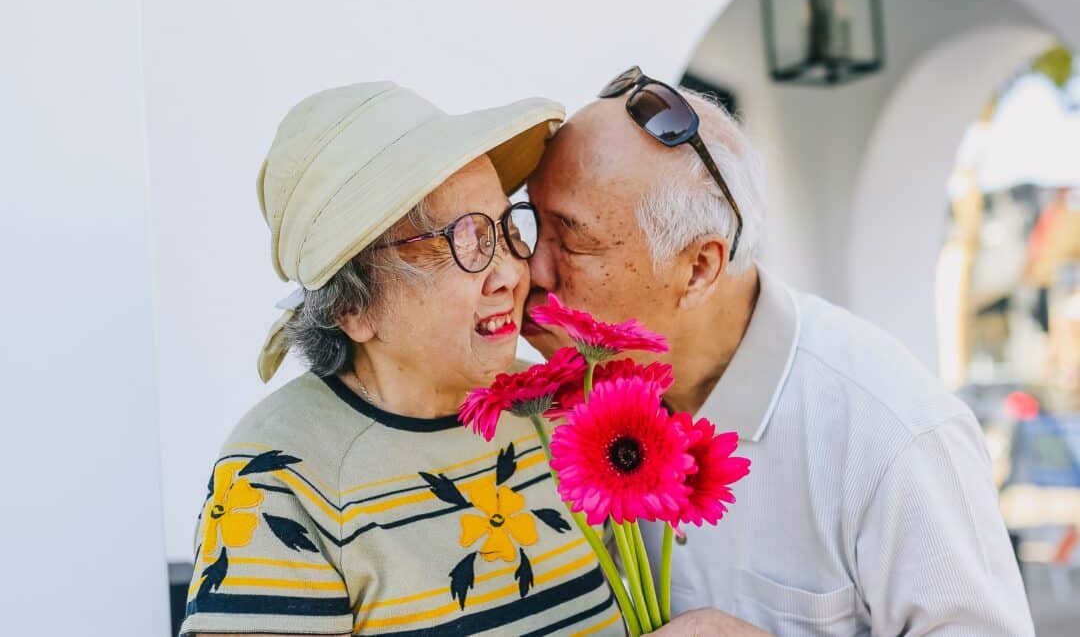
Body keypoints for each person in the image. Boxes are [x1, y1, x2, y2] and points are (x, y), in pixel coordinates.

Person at [522, 66, 1036, 636]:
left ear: (698, 268)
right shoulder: (573, 398)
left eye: (570, 240)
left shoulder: (889, 429)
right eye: (530, 223)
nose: (532, 269)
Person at [179, 81, 631, 636]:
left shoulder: (553, 405)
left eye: (507, 228)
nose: (514, 273)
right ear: (355, 307)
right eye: (464, 242)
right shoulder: (276, 479)